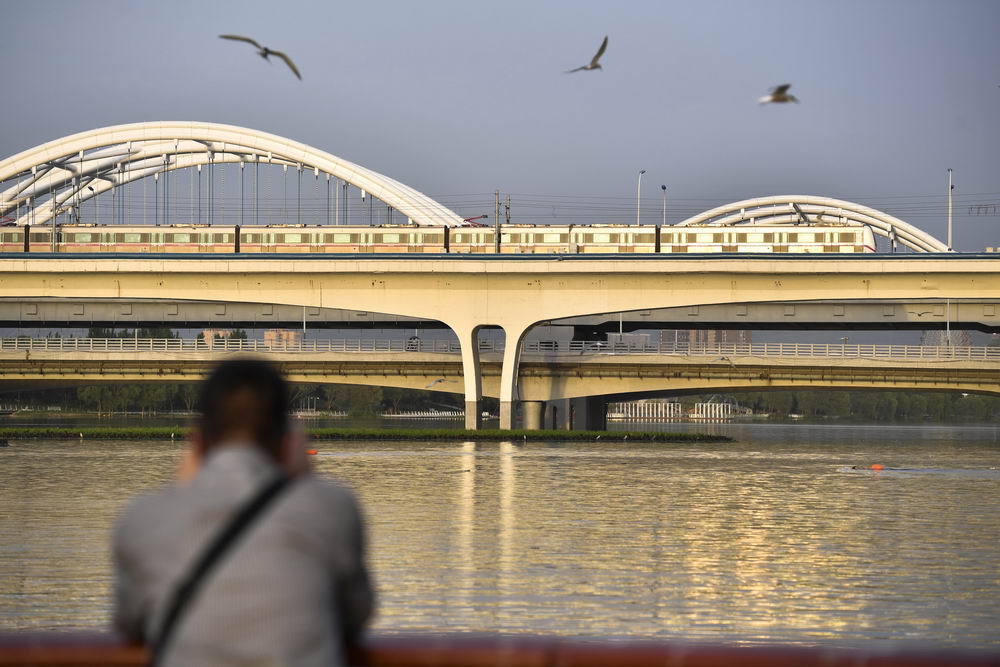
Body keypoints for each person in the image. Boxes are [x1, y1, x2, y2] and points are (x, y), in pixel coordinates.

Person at [113, 359, 373, 666]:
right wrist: (305, 481)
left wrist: (181, 489)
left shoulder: (142, 518)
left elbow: (131, 622)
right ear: (288, 443)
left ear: (197, 442)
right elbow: (355, 616)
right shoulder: (333, 506)